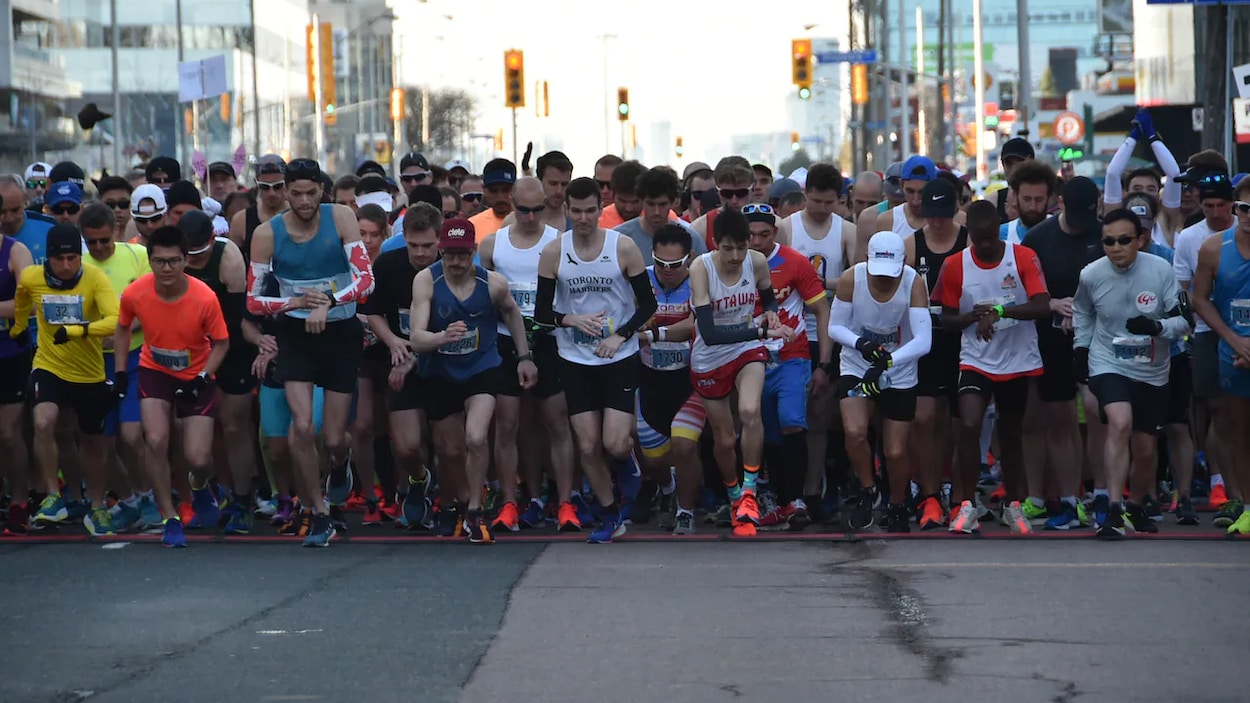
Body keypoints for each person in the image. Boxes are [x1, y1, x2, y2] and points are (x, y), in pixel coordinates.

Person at [246, 159, 375, 548]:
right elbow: (254, 300)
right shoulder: (267, 234)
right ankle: (317, 513)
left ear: (323, 190)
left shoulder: (341, 219)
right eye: (295, 193)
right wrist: (295, 302)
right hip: (296, 334)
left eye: (311, 193)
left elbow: (366, 280)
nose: (303, 201)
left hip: (340, 332)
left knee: (333, 437)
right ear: (284, 191)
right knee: (302, 427)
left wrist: (328, 302)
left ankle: (339, 465)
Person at [535, 176, 659, 544]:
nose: (584, 218)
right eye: (577, 211)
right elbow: (542, 312)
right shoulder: (555, 252)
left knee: (615, 444)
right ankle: (609, 514)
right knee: (587, 445)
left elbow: (648, 304)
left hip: (618, 355)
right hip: (575, 357)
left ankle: (628, 465)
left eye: (591, 210)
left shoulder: (623, 248)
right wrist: (569, 319)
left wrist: (621, 334)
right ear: (567, 211)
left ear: (599, 209)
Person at [408, 219, 537, 544]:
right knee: (450, 451)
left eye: (463, 255)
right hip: (440, 372)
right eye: (450, 254)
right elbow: (416, 339)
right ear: (441, 250)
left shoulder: (493, 283)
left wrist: (524, 358)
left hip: (482, 367)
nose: (456, 262)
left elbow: (512, 314)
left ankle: (477, 509)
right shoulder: (426, 281)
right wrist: (441, 337)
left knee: (476, 437)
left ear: (473, 252)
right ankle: (464, 502)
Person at [931, 201, 1051, 534]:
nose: (984, 245)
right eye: (978, 239)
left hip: (1017, 360)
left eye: (989, 238)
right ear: (970, 233)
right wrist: (975, 316)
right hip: (976, 359)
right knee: (969, 424)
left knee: (1011, 433)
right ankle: (967, 503)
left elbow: (1042, 306)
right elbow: (947, 319)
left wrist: (998, 312)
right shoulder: (956, 265)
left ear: (997, 230)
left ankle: (1013, 504)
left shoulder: (1023, 257)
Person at [1073, 208, 1189, 537]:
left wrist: (1156, 326)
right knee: (1119, 422)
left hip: (1152, 370)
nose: (1116, 247)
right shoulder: (1090, 274)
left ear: (1140, 240)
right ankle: (1111, 508)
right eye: (1108, 241)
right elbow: (1082, 311)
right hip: (1108, 360)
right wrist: (1080, 349)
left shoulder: (1163, 270)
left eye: (1124, 240)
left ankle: (1136, 505)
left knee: (1145, 449)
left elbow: (1185, 321)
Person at [113, 225, 230, 547]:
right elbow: (122, 328)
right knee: (155, 439)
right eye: (160, 261)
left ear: (185, 261)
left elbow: (221, 343)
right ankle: (170, 517)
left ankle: (200, 484)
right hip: (155, 370)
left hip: (196, 374)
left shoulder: (204, 297)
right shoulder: (136, 292)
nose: (167, 269)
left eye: (174, 261)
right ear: (149, 261)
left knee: (198, 458)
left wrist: (204, 377)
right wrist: (122, 372)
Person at [479, 177, 579, 531]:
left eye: (540, 209)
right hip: (507, 343)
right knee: (507, 425)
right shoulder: (493, 245)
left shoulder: (561, 243)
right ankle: (511, 502)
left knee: (557, 423)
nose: (532, 217)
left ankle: (565, 503)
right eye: (524, 210)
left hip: (550, 341)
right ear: (511, 202)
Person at [687, 207, 794, 537]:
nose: (735, 256)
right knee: (724, 439)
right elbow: (709, 333)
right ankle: (734, 495)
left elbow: (768, 300)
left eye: (741, 247)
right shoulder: (700, 268)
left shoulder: (757, 262)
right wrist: (764, 332)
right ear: (715, 244)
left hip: (746, 349)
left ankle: (749, 492)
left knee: (749, 411)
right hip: (710, 356)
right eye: (727, 248)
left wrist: (772, 316)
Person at [10, 224, 118, 534]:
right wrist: (18, 327)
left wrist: (78, 330)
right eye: (60, 259)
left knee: (92, 443)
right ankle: (53, 497)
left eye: (73, 258)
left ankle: (96, 507)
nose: (68, 265)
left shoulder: (94, 279)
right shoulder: (32, 276)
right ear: (49, 260)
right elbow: (21, 298)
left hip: (89, 372)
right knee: (44, 422)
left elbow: (115, 319)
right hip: (49, 365)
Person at [828, 231, 932, 531]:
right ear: (866, 261)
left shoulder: (914, 283)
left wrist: (888, 361)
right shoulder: (852, 279)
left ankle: (897, 502)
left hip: (899, 368)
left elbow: (924, 340)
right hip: (857, 362)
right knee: (854, 430)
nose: (885, 280)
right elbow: (835, 326)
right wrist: (862, 345)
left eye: (892, 274)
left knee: (895, 450)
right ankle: (867, 487)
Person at [744, 202, 832, 530]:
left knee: (793, 423)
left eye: (764, 235)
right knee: (766, 433)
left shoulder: (795, 262)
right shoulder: (731, 264)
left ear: (775, 233)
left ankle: (796, 500)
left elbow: (822, 311)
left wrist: (823, 363)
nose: (756, 242)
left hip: (792, 356)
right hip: (750, 360)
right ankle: (780, 500)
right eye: (750, 235)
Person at [362, 202, 441, 530]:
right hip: (399, 357)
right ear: (402, 239)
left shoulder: (452, 266)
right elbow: (373, 312)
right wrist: (394, 342)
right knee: (407, 445)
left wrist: (419, 354)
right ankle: (419, 480)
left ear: (440, 241)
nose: (420, 253)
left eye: (428, 246)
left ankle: (449, 503)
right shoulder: (389, 264)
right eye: (413, 245)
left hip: (443, 360)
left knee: (448, 442)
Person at [180, 209, 256, 533]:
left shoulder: (228, 256)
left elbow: (237, 318)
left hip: (230, 341)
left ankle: (242, 499)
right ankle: (212, 492)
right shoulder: (171, 258)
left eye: (201, 254)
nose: (195, 261)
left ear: (212, 239)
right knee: (192, 426)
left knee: (235, 422)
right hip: (189, 345)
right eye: (190, 255)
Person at [1172, 158, 1237, 515]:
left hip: (1242, 330)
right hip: (1206, 333)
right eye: (1208, 206)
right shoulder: (1189, 238)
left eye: (1221, 206)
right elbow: (1184, 291)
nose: (1214, 212)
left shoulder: (1243, 230)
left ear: (1232, 205)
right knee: (1217, 410)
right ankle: (1219, 483)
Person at [1191, 179, 1250, 534]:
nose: (1249, 217)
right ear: (1235, 208)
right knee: (1235, 431)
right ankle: (1246, 505)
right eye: (1244, 208)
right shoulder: (1213, 248)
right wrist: (1232, 339)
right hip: (1232, 351)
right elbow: (1200, 298)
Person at [632, 224, 695, 528]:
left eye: (675, 265)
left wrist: (652, 333)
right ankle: (666, 488)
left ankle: (688, 507)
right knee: (654, 459)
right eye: (660, 263)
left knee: (685, 448)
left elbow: (696, 324)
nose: (666, 270)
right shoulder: (639, 279)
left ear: (689, 259)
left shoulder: (700, 280)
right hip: (650, 378)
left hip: (687, 379)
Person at [0, 195, 34, 535]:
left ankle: (20, 499)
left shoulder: (15, 251)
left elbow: (29, 303)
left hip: (10, 352)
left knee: (9, 433)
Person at [230, 155, 288, 265]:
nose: (271, 193)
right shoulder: (241, 221)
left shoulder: (298, 214)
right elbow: (234, 264)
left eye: (278, 186)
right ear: (256, 184)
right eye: (265, 187)